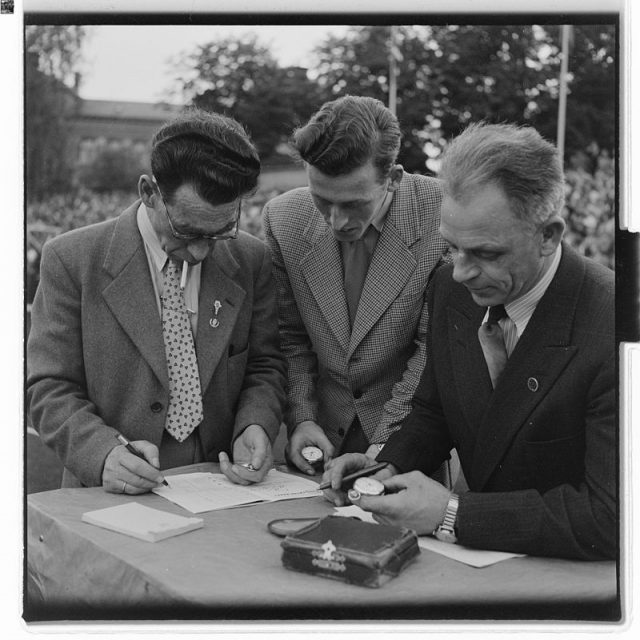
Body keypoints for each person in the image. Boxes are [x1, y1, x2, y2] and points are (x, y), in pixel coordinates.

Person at [322, 122, 616, 560]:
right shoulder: (450, 288)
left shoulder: (615, 327)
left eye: (486, 253)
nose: (461, 272)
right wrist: (387, 464)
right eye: (453, 247)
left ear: (548, 236)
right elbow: (436, 409)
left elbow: (611, 517)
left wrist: (453, 513)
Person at [27, 108, 287, 494]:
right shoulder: (72, 259)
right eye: (187, 230)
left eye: (220, 232)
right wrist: (101, 454)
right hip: (109, 496)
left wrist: (254, 423)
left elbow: (265, 363)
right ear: (148, 192)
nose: (200, 252)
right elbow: (49, 386)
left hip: (223, 490)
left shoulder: (252, 259)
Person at [262, 96, 448, 475]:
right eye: (322, 199)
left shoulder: (442, 213)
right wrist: (301, 417)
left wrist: (384, 451)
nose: (336, 221)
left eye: (354, 204)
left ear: (393, 178)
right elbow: (290, 338)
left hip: (407, 445)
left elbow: (432, 350)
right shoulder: (282, 219)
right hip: (320, 441)